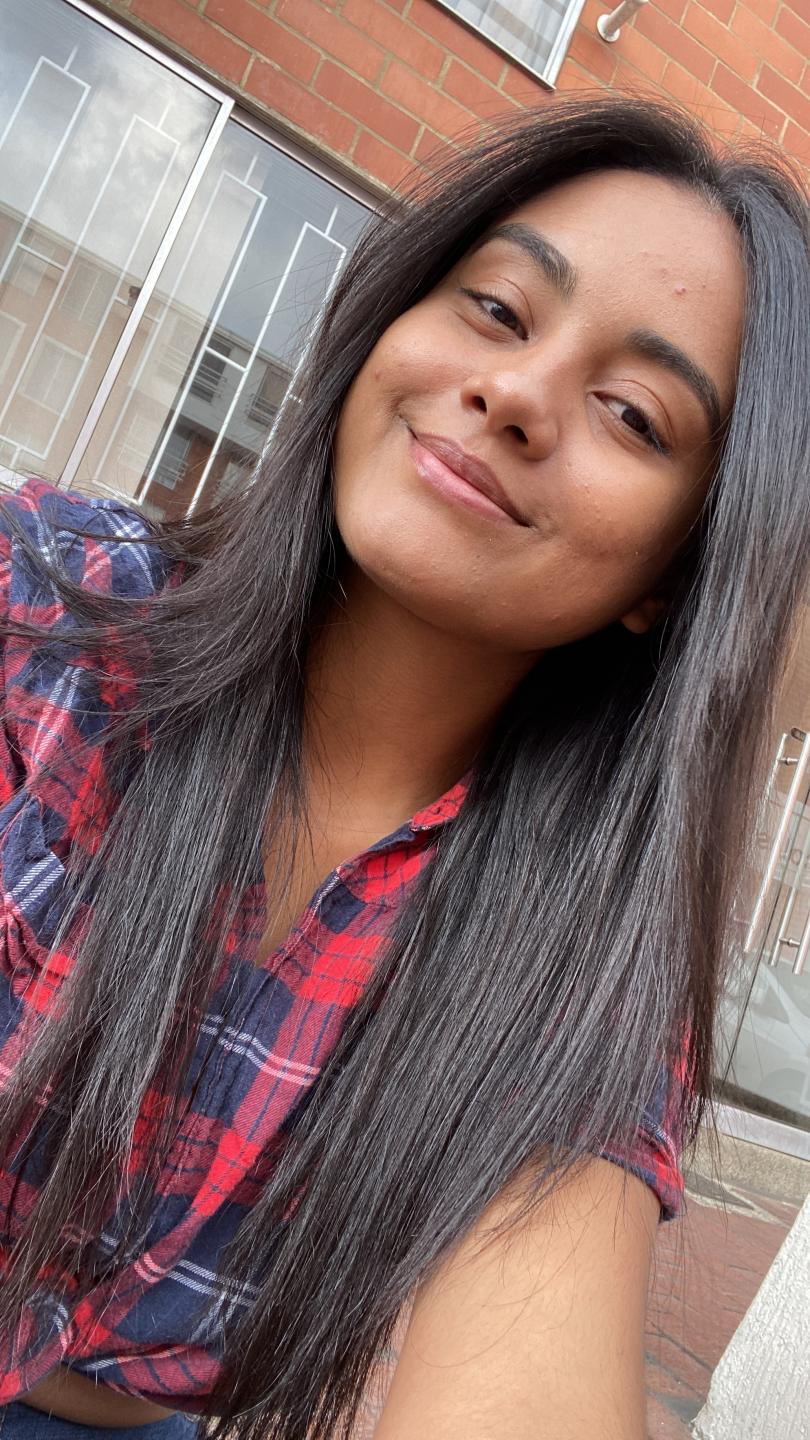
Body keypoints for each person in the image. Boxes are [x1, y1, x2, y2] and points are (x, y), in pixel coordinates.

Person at [0, 95, 808, 1440]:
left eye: (631, 412)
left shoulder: (573, 963)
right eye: (495, 309)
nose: (514, 393)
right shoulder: (53, 608)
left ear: (671, 577)